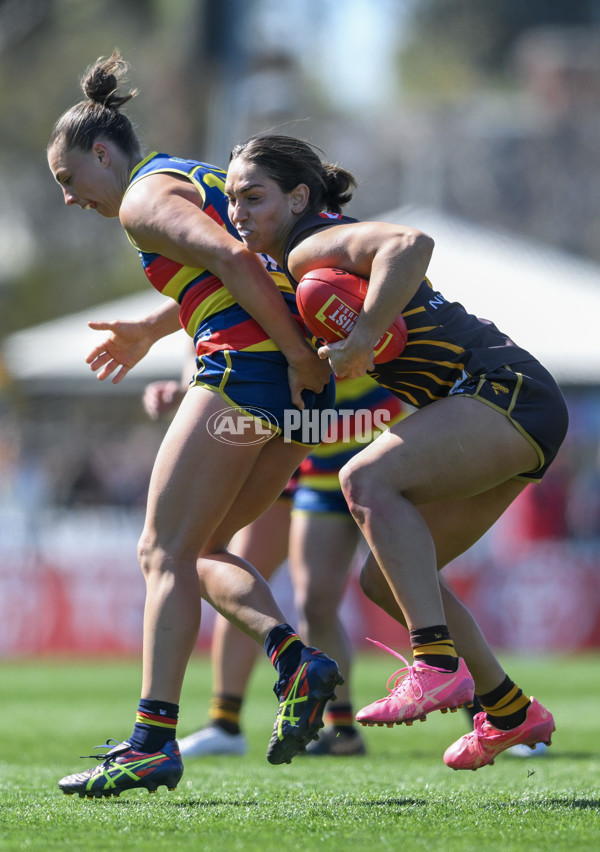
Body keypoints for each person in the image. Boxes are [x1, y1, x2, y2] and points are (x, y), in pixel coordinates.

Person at [46, 52, 343, 798]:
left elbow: (237, 261)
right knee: (203, 552)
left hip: (246, 376)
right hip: (284, 394)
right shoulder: (188, 173)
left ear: (103, 154)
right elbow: (227, 269)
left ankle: (153, 741)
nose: (69, 198)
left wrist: (297, 362)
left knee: (161, 551)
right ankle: (294, 662)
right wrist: (155, 328)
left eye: (68, 180)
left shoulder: (144, 201)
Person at [223, 134, 569, 770]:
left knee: (364, 479)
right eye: (231, 198)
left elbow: (411, 244)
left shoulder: (308, 246)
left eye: (253, 196)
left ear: (299, 197)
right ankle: (511, 712)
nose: (238, 210)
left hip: (502, 389)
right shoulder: (282, 265)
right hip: (511, 405)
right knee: (385, 579)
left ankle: (435, 664)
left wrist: (362, 336)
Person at [144, 364, 404, 758]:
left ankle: (492, 705)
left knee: (409, 585)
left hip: (347, 430)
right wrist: (184, 380)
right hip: (300, 434)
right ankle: (230, 720)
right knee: (287, 587)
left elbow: (237, 309)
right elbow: (200, 320)